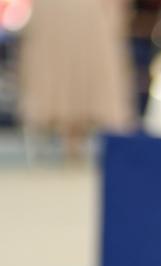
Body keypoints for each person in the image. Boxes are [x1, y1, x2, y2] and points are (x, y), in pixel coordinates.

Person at [17, 0, 135, 158]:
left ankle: (74, 134)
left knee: (88, 63)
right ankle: (67, 132)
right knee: (58, 63)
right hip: (58, 11)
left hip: (88, 12)